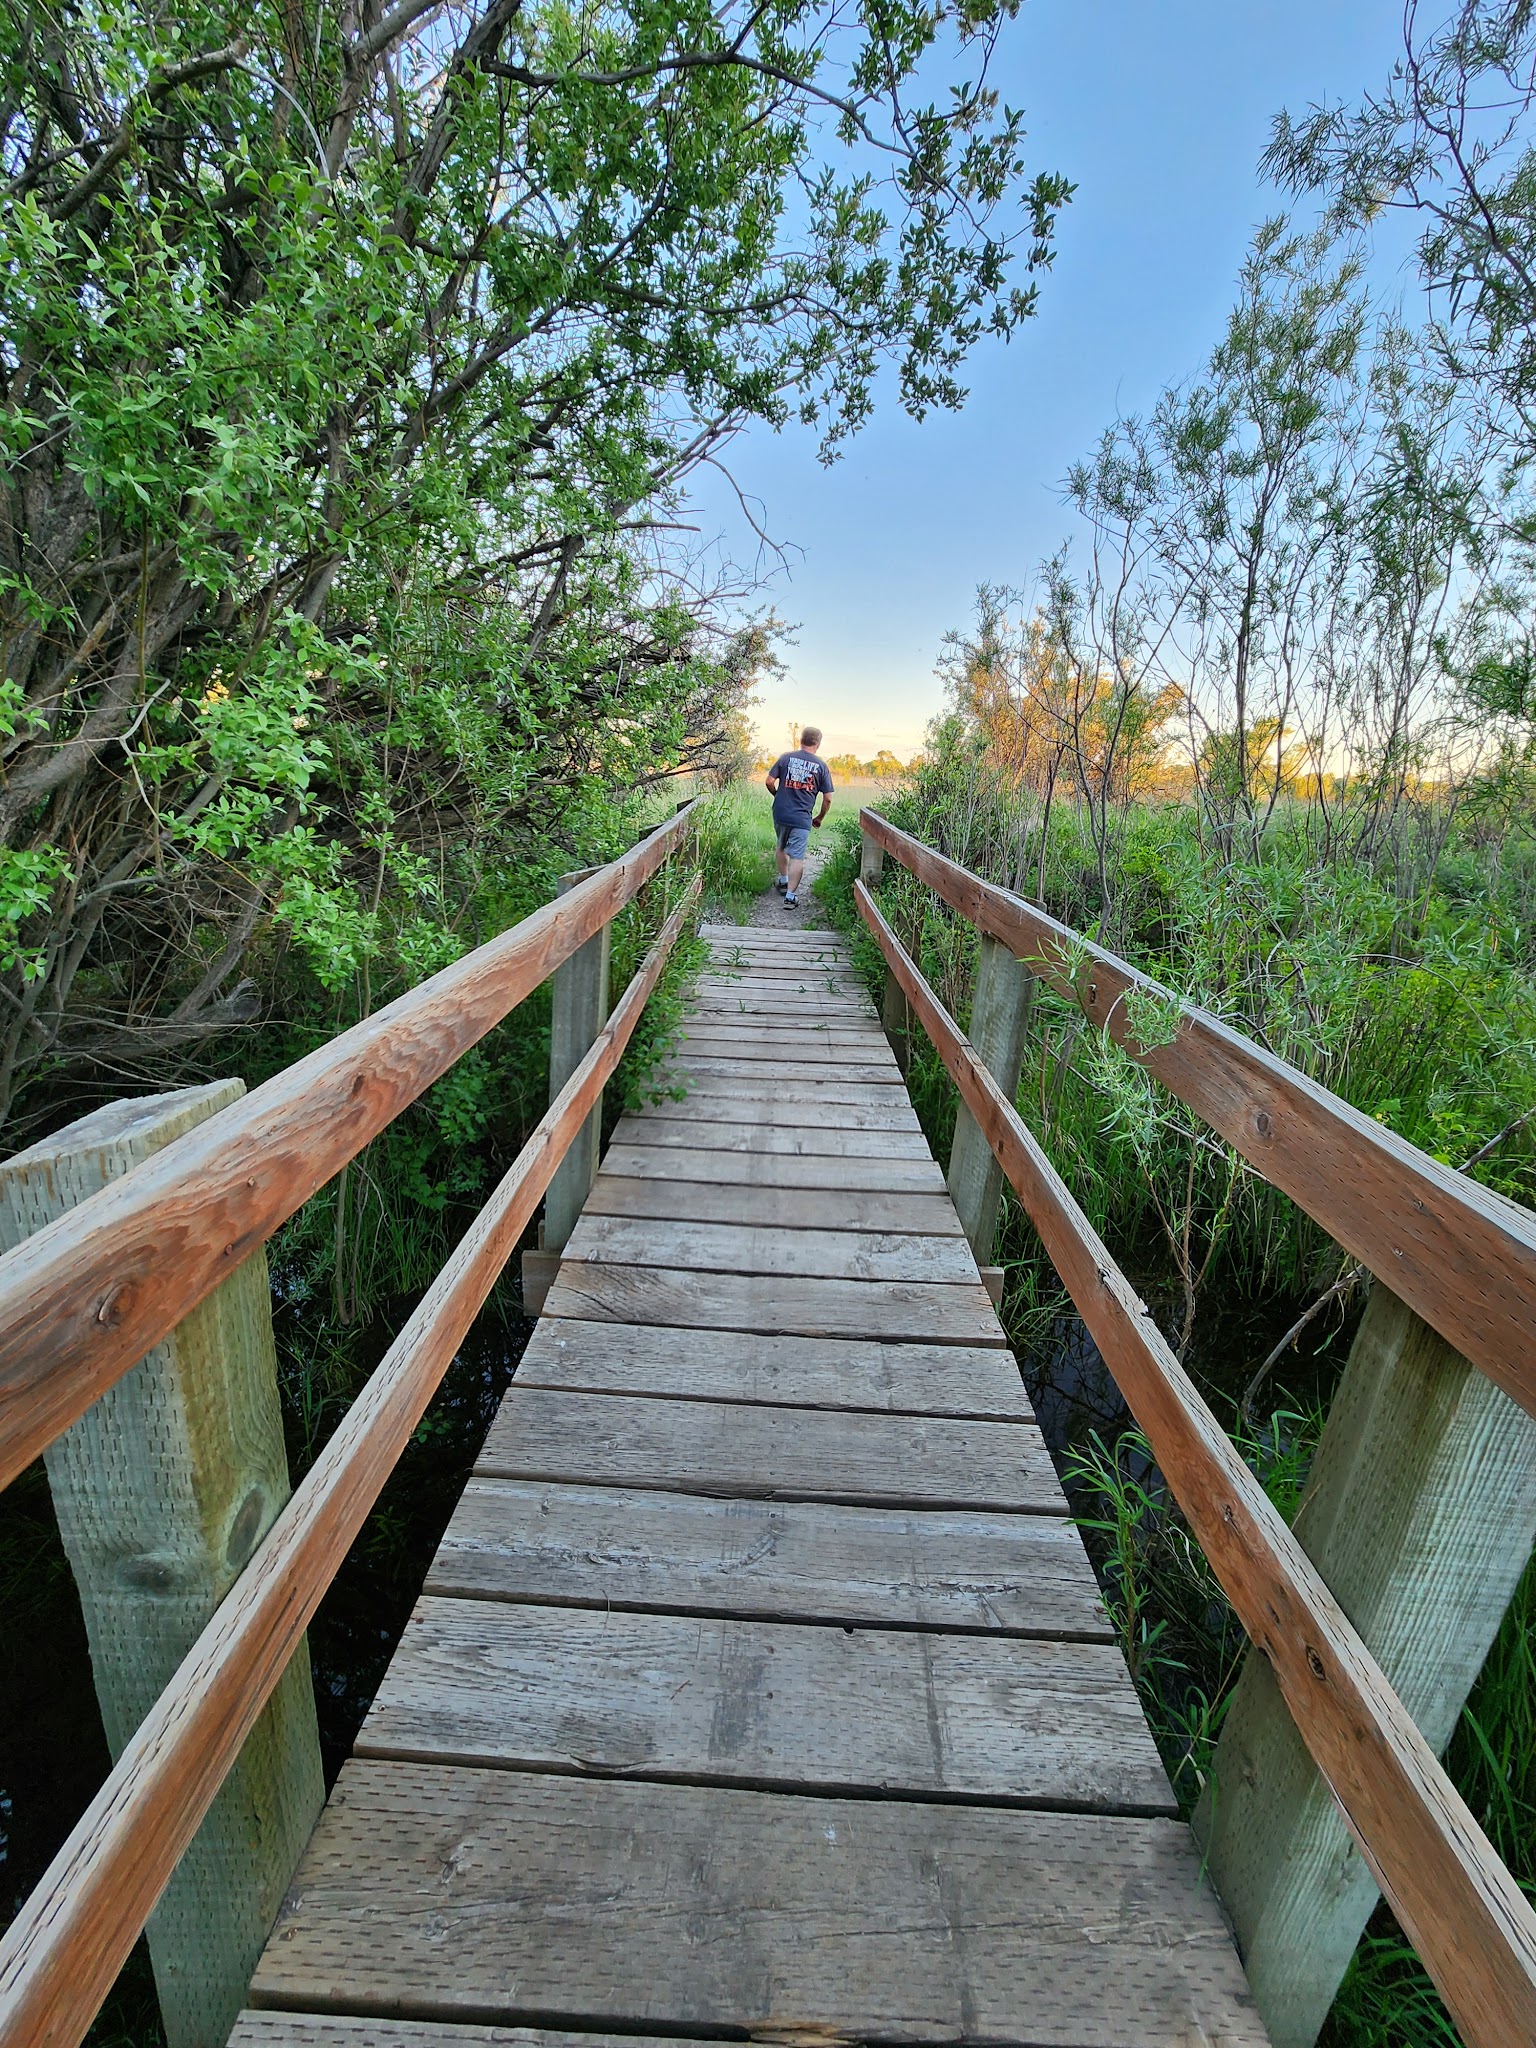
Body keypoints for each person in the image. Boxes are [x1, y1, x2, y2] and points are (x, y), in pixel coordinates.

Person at [765, 727, 834, 907]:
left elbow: (769, 781)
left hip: (780, 812)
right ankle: (790, 896)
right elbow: (827, 798)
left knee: (781, 845)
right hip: (802, 817)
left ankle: (783, 879)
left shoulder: (785, 758)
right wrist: (819, 817)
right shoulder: (821, 766)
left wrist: (777, 795)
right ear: (818, 743)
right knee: (797, 857)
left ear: (801, 739)